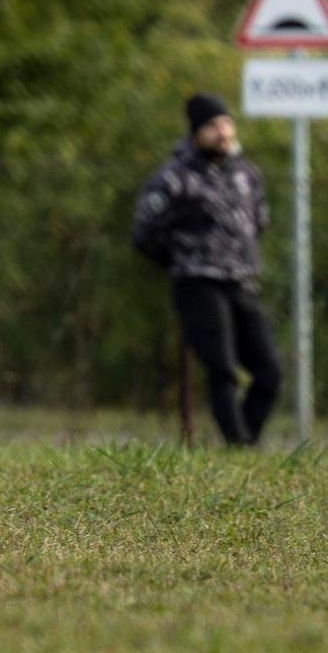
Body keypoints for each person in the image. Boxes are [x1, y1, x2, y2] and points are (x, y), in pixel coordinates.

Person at [132, 93, 283, 445]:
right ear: (196, 132)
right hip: (197, 283)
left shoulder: (246, 174)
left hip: (242, 280)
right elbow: (144, 232)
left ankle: (244, 445)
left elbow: (259, 220)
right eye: (212, 126)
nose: (222, 132)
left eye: (226, 123)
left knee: (269, 372)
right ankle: (238, 446)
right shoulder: (173, 178)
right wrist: (183, 262)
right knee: (222, 370)